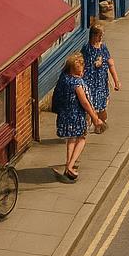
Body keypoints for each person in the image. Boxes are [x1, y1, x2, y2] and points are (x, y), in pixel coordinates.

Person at [52, 53, 104, 183]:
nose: (83, 71)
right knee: (81, 139)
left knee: (71, 140)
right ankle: (70, 166)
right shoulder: (77, 83)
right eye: (81, 69)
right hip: (76, 116)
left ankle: (68, 165)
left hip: (65, 115)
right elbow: (85, 102)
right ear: (76, 70)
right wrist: (95, 118)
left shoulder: (64, 78)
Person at [81, 23, 120, 122]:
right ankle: (89, 126)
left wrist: (116, 81)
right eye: (99, 35)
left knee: (102, 106)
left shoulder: (103, 48)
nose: (101, 38)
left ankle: (102, 123)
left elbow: (110, 64)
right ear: (93, 35)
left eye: (102, 35)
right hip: (89, 81)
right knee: (89, 104)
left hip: (101, 82)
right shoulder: (86, 49)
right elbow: (80, 64)